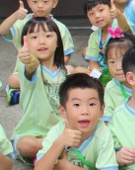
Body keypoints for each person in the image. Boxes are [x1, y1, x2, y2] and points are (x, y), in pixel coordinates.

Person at [21, 74, 127, 170]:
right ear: (63, 111)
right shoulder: (57, 132)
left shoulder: (103, 134)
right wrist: (60, 143)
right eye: (76, 105)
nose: (84, 111)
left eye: (91, 104)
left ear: (102, 110)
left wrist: (69, 169)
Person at [13, 17, 87, 160]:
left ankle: (54, 151)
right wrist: (28, 59)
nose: (41, 41)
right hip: (35, 134)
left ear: (58, 42)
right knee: (26, 145)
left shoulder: (64, 72)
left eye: (48, 36)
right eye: (34, 37)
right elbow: (32, 65)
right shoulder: (31, 69)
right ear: (25, 43)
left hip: (62, 130)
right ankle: (58, 150)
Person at [0, 0, 75, 101]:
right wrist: (15, 15)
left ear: (54, 2)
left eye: (45, 1)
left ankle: (24, 92)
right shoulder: (22, 22)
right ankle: (43, 90)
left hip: (50, 72)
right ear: (28, 2)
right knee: (13, 79)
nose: (40, 5)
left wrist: (53, 68)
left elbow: (66, 54)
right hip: (27, 72)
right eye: (35, 1)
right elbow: (2, 30)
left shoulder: (60, 28)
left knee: (70, 70)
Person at [84, 0, 128, 86]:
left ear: (111, 8)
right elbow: (93, 61)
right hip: (105, 72)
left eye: (101, 10)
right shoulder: (94, 36)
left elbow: (126, 28)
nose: (97, 16)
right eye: (91, 14)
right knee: (77, 71)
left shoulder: (119, 25)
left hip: (124, 69)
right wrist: (95, 71)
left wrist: (118, 14)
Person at [102, 32, 135, 123]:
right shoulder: (111, 88)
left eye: (123, 61)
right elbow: (107, 120)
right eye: (112, 62)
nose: (118, 67)